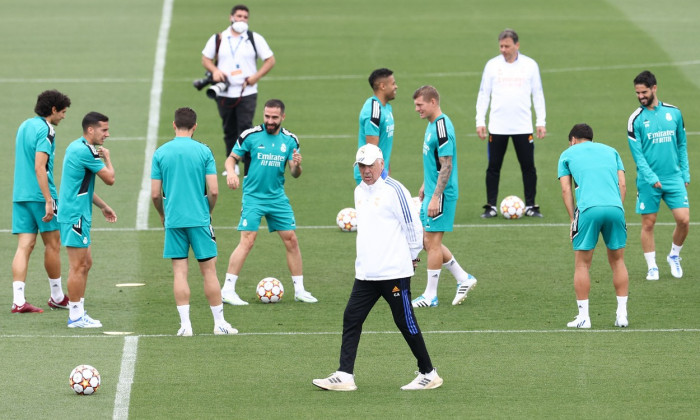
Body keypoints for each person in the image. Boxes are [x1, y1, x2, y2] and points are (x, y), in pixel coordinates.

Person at [312, 144, 443, 391]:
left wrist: (413, 258)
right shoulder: (359, 191)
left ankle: (429, 373)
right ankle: (345, 375)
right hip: (366, 273)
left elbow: (413, 226)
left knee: (406, 322)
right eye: (361, 166)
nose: (366, 170)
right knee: (352, 317)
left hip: (394, 272)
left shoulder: (395, 190)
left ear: (381, 164)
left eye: (370, 165)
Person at [221, 99, 317, 305]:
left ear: (282, 117)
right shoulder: (250, 136)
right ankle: (227, 290)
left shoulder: (290, 140)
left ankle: (299, 290)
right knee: (247, 240)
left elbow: (294, 173)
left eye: (274, 117)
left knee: (291, 239)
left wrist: (298, 166)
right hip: (253, 197)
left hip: (277, 197)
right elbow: (231, 159)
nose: (270, 121)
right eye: (267, 116)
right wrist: (231, 173)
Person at [151, 107, 237, 336]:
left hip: (174, 221)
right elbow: (215, 191)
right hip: (199, 220)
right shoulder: (204, 151)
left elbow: (155, 194)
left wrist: (162, 214)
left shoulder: (160, 153)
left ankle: (185, 326)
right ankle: (219, 324)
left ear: (174, 124)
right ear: (195, 126)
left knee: (180, 272)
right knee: (209, 271)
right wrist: (206, 211)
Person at [411, 86, 477, 308]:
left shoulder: (441, 127)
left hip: (441, 195)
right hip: (432, 191)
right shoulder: (432, 125)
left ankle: (431, 296)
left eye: (420, 105)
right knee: (427, 241)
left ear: (432, 102)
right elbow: (437, 162)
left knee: (433, 242)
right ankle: (463, 278)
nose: (417, 109)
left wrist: (435, 196)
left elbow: (447, 164)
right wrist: (425, 185)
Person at [558, 123, 629, 329]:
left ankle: (584, 317)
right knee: (618, 262)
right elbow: (622, 184)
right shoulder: (611, 151)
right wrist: (617, 209)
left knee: (582, 264)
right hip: (615, 207)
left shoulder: (567, 154)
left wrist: (574, 220)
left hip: (588, 209)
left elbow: (565, 190)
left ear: (573, 140)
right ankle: (622, 314)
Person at [11, 90, 72, 313]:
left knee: (24, 246)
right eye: (63, 112)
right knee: (53, 244)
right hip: (40, 196)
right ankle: (56, 295)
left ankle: (18, 301)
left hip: (20, 195)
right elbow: (40, 167)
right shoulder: (47, 130)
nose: (64, 116)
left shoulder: (24, 125)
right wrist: (48, 199)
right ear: (53, 110)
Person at [475, 28, 546, 218]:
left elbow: (537, 94)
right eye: (501, 46)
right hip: (497, 126)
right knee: (493, 167)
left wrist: (541, 121)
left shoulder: (530, 65)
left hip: (523, 126)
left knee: (528, 166)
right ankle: (491, 206)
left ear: (517, 45)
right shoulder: (492, 66)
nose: (503, 49)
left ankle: (530, 205)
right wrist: (480, 120)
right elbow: (484, 94)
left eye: (507, 46)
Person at [627, 70, 690, 281]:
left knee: (684, 220)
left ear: (654, 88)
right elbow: (638, 155)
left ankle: (674, 255)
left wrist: (685, 172)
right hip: (648, 181)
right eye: (637, 93)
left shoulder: (674, 113)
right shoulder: (635, 119)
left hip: (673, 177)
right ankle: (652, 266)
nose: (640, 96)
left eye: (644, 92)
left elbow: (682, 144)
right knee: (648, 224)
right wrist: (651, 177)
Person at [201, 4, 275, 176]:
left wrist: (255, 77)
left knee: (246, 128)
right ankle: (231, 163)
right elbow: (205, 58)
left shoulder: (254, 38)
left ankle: (249, 166)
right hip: (224, 91)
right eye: (239, 16)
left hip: (247, 91)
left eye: (245, 17)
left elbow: (270, 60)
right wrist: (215, 71)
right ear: (231, 17)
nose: (241, 20)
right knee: (229, 128)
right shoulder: (219, 38)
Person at [58, 112, 117, 328]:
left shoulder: (81, 147)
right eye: (104, 130)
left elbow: (80, 186)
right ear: (90, 130)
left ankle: (79, 311)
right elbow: (110, 179)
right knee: (78, 265)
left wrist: (103, 206)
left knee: (86, 263)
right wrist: (108, 159)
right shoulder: (84, 151)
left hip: (79, 213)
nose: (107, 134)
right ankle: (75, 316)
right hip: (75, 215)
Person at [353, 68, 397, 184]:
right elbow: (371, 152)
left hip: (381, 174)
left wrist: (387, 176)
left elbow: (384, 147)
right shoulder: (374, 111)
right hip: (370, 176)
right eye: (393, 84)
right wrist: (379, 179)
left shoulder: (387, 107)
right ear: (382, 86)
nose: (396, 87)